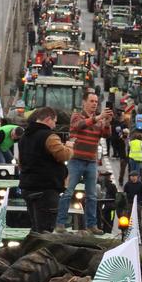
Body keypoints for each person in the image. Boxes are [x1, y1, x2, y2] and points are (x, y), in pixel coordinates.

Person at [55, 92, 111, 234]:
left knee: (92, 195)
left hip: (91, 161)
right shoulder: (77, 116)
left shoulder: (98, 120)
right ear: (84, 102)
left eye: (96, 102)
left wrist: (107, 123)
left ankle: (92, 225)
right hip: (76, 160)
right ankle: (60, 223)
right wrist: (98, 117)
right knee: (67, 192)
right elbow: (79, 126)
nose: (94, 104)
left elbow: (105, 135)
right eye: (92, 101)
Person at [19, 106, 73, 232]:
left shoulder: (24, 137)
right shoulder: (49, 136)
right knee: (46, 231)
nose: (55, 125)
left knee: (35, 228)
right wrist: (69, 147)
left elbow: (21, 163)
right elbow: (63, 155)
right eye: (54, 121)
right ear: (48, 119)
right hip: (46, 189)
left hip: (28, 187)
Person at [122, 172, 142, 239]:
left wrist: (141, 204)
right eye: (131, 176)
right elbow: (124, 194)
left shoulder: (141, 185)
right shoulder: (127, 185)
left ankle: (141, 237)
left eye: (134, 176)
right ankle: (127, 235)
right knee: (128, 220)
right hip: (129, 204)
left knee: (138, 221)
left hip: (137, 205)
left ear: (137, 177)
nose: (133, 177)